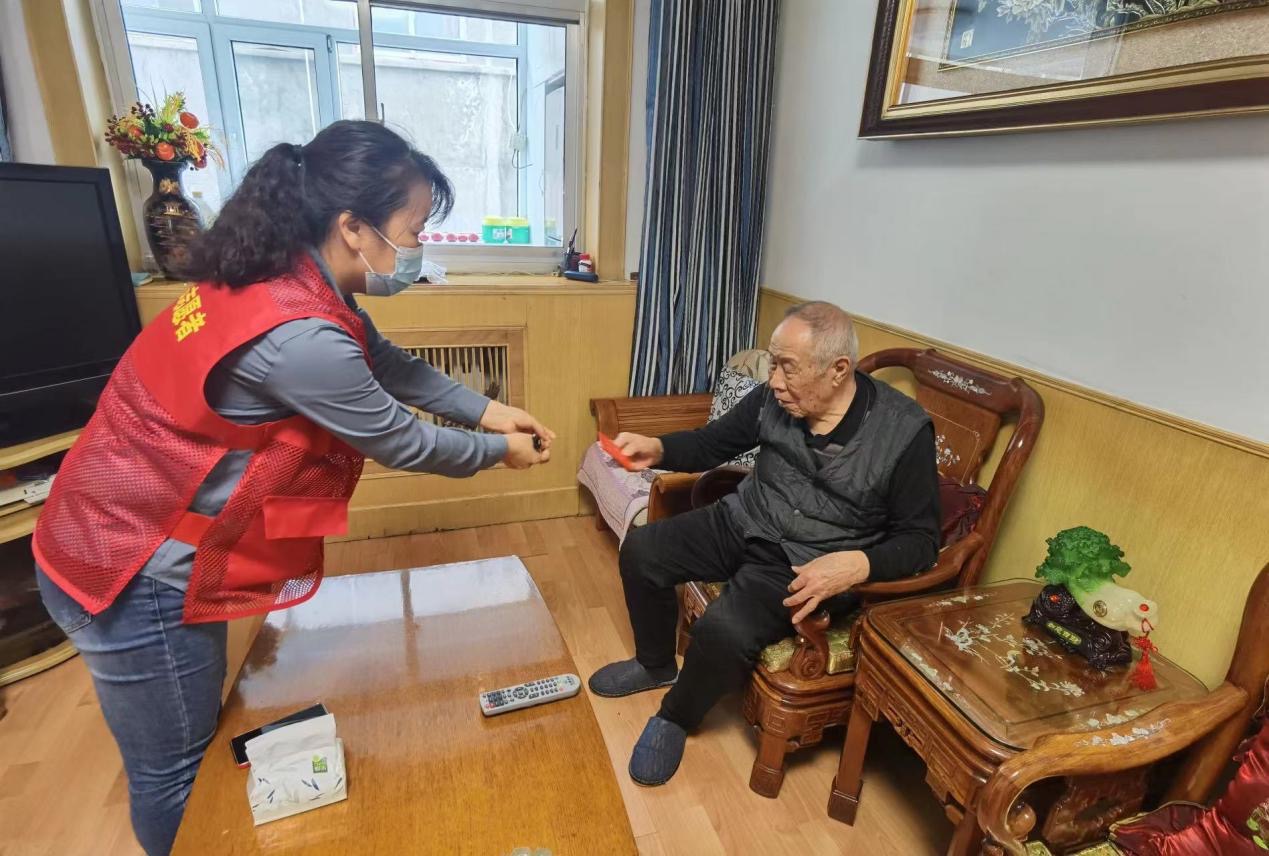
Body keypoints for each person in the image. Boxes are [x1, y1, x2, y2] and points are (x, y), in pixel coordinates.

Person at [32, 120, 554, 855]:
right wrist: (499, 452)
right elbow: (399, 439)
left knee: (184, 750)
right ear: (353, 227)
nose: (418, 248)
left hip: (110, 526)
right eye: (413, 230)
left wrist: (488, 410)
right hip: (128, 568)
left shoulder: (278, 274)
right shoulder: (299, 336)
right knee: (174, 775)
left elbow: (384, 361)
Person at [588, 301, 940, 786]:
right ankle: (654, 665)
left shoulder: (904, 433)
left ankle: (675, 716)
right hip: (745, 518)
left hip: (803, 563)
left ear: (838, 370)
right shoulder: (775, 398)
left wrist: (857, 565)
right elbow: (713, 443)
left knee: (724, 630)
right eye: (773, 364)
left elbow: (921, 541)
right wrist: (660, 447)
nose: (773, 380)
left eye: (787, 367)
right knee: (642, 550)